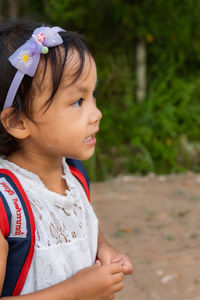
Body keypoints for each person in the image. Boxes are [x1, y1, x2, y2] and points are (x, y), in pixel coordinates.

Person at [0, 19, 133, 299]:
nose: (97, 114)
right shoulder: (7, 205)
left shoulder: (73, 174)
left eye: (92, 95)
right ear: (17, 122)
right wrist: (76, 292)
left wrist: (105, 250)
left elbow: (83, 225)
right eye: (77, 102)